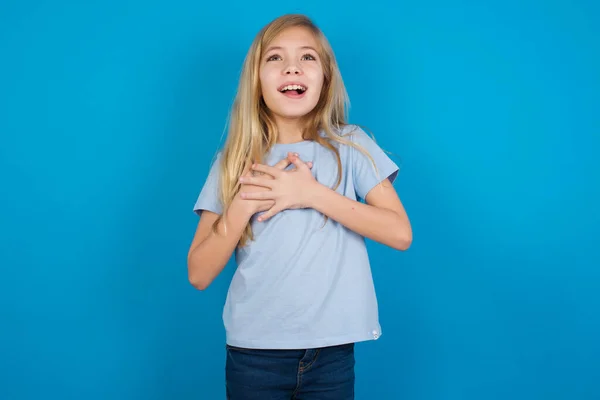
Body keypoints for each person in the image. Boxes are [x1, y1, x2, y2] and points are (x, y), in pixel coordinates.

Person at [187, 13, 412, 400]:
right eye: (275, 58)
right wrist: (243, 201)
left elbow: (399, 233)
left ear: (325, 77)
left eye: (307, 57)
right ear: (256, 79)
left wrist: (310, 194)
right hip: (253, 356)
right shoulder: (234, 159)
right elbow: (199, 273)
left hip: (331, 354)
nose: (292, 66)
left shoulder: (352, 145)